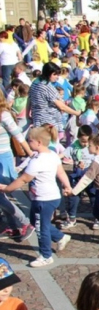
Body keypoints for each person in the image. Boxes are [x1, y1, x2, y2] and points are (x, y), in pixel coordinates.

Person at [0, 126, 72, 267]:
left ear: (38, 142)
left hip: (44, 199)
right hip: (47, 197)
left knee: (40, 227)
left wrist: (7, 188)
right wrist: (67, 185)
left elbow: (23, 179)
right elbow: (61, 173)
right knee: (36, 221)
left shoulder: (37, 161)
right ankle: (60, 237)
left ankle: (46, 256)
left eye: (30, 141)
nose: (28, 143)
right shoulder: (51, 155)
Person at [0, 94, 34, 242]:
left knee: (6, 193)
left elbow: (18, 136)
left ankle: (26, 222)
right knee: (2, 195)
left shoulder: (4, 114)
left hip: (3, 158)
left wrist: (31, 154)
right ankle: (14, 227)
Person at [29, 62, 81, 133]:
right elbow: (61, 106)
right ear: (48, 73)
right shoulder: (46, 86)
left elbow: (29, 100)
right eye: (54, 74)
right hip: (49, 122)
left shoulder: (35, 82)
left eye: (58, 74)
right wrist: (76, 113)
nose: (57, 77)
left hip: (38, 119)